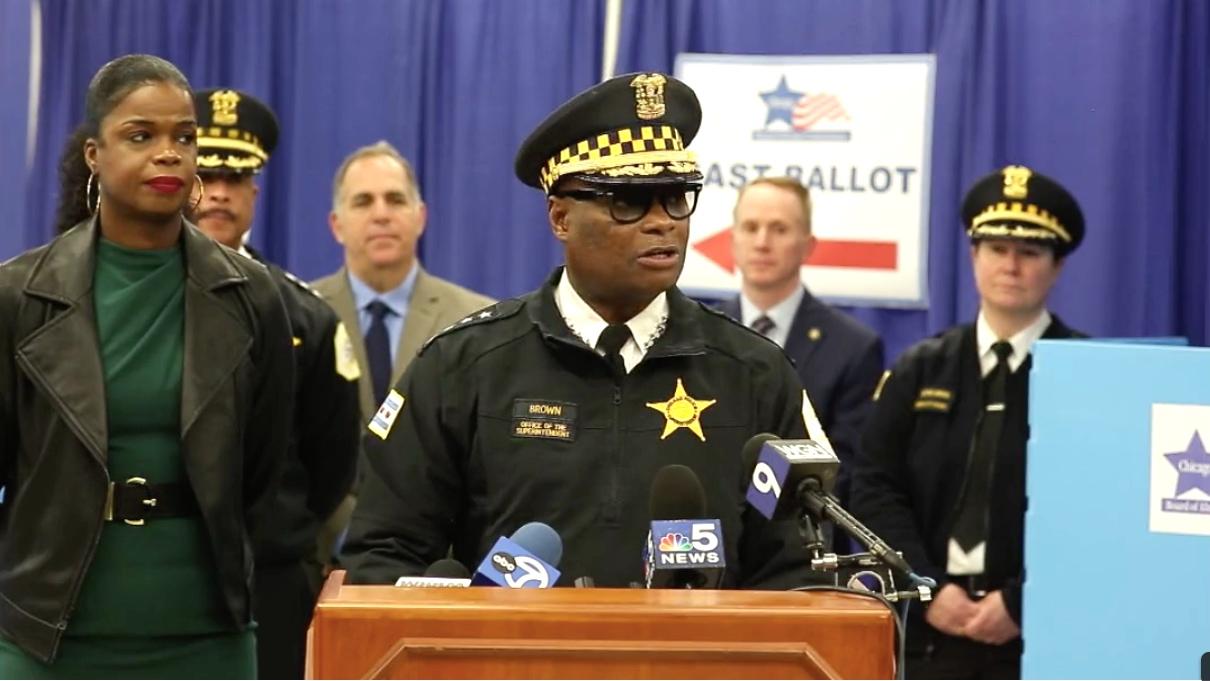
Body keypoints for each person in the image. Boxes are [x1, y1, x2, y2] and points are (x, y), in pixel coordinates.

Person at [341, 72, 814, 589]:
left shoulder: (755, 374)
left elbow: (794, 572)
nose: (663, 222)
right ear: (560, 217)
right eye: (628, 200)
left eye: (676, 197)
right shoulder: (462, 366)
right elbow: (385, 555)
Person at [0, 55, 293, 678]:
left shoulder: (253, 296)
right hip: (46, 635)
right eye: (141, 136)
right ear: (93, 155)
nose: (169, 154)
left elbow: (261, 468)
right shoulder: (19, 296)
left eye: (183, 138)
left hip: (205, 632)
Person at [850, 165, 1087, 679]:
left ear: (1058, 265)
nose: (1012, 265)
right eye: (997, 249)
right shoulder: (921, 367)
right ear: (973, 256)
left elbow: (1096, 511)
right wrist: (924, 584)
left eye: (1030, 253)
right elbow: (873, 489)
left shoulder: (1088, 375)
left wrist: (1025, 601)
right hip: (928, 633)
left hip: (1044, 638)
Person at [191, 88, 360, 680]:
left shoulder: (303, 315)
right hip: (153, 563)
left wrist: (277, 526)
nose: (218, 191)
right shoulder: (124, 298)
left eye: (235, 177)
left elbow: (333, 457)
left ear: (255, 194)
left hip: (268, 572)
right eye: (205, 173)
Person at [310, 141, 493, 561]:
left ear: (420, 217)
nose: (381, 214)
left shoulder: (475, 320)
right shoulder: (300, 315)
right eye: (363, 202)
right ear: (337, 224)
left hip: (435, 562)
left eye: (395, 199)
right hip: (318, 558)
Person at [719, 176, 883, 510]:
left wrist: (758, 506)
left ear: (808, 245)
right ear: (733, 239)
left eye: (779, 229)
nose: (762, 243)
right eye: (750, 227)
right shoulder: (699, 334)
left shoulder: (852, 348)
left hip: (800, 538)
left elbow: (843, 468)